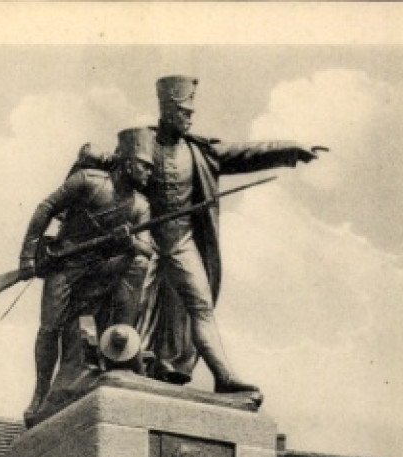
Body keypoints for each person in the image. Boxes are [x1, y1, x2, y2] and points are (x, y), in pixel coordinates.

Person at [137, 75, 322, 404]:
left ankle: (224, 377)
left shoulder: (202, 151)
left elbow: (249, 153)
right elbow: (112, 172)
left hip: (181, 242)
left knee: (200, 306)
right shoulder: (140, 143)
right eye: (183, 112)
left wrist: (291, 148)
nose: (190, 118)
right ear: (166, 110)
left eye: (192, 112)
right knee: (131, 310)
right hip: (143, 243)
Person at [19, 128, 154, 428]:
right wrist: (28, 256)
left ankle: (122, 350)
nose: (149, 174)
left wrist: (129, 242)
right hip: (66, 265)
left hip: (101, 272)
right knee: (49, 328)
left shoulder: (141, 206)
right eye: (146, 166)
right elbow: (46, 208)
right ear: (129, 163)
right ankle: (40, 391)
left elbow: (147, 248)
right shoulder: (89, 182)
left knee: (137, 262)